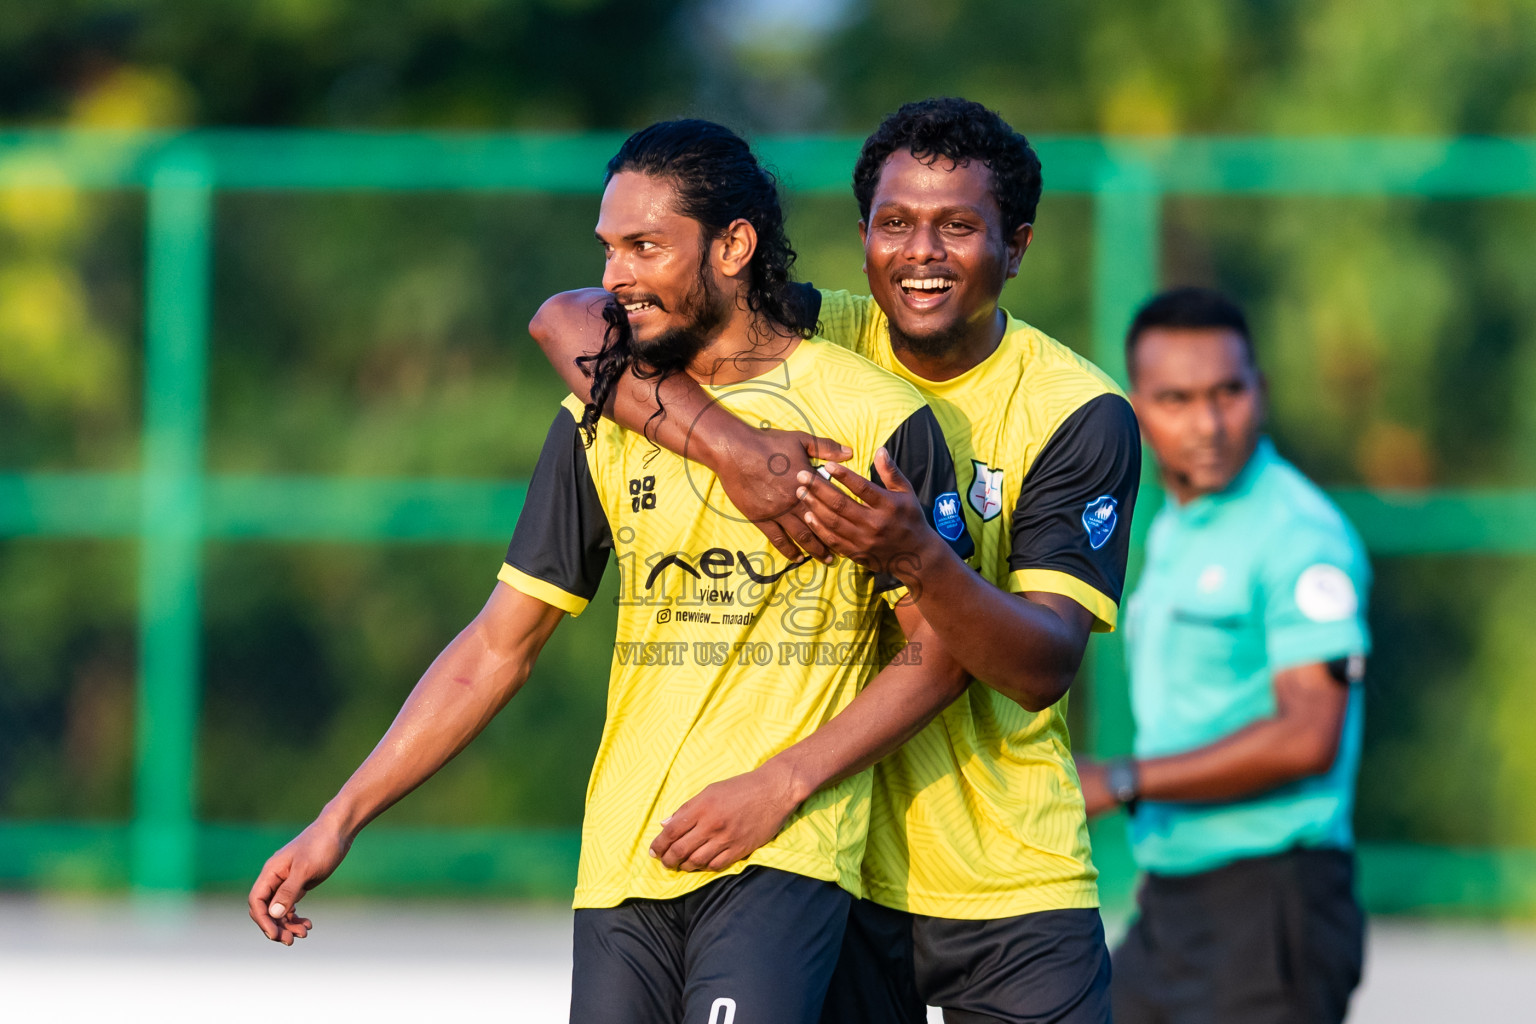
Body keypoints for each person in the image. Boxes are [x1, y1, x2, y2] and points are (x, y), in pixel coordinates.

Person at [246, 119, 978, 1024]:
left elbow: (940, 655)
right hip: (621, 864)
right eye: (609, 247)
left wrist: (782, 784)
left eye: (645, 246)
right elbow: (496, 649)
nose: (616, 276)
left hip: (780, 859)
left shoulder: (873, 417)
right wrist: (339, 817)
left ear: (734, 246)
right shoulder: (600, 414)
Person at [530, 98, 1140, 1024]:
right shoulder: (824, 336)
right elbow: (574, 321)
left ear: (1016, 246)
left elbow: (1041, 667)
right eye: (896, 224)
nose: (921, 254)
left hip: (1006, 881)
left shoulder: (1078, 410)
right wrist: (736, 449)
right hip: (832, 874)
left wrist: (920, 558)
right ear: (863, 238)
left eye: (958, 227)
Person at [1076, 287, 1370, 1024]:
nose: (1207, 424)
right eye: (1176, 399)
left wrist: (1121, 780)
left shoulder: (1300, 537)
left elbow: (1309, 734)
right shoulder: (1178, 526)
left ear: (1261, 392)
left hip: (1271, 906)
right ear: (1136, 409)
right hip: (1172, 901)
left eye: (1227, 393)